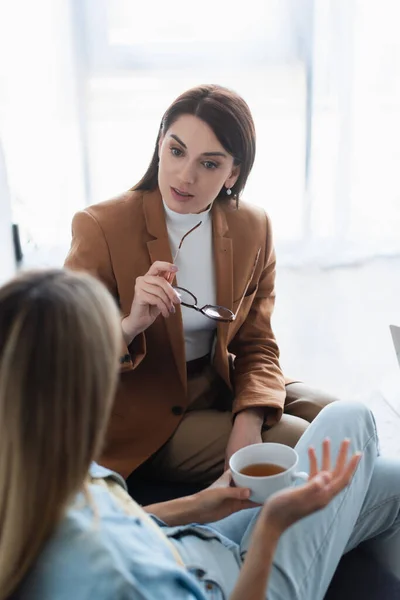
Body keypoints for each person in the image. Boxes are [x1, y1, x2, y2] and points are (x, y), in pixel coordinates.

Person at [1, 269, 399, 600]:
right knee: (353, 418)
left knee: (390, 480)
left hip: (188, 545)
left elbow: (114, 519)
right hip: (235, 584)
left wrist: (197, 503)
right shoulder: (120, 579)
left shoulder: (33, 465)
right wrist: (273, 527)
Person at [65, 83, 337, 487]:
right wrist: (130, 324)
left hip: (219, 381)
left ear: (234, 173)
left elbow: (256, 340)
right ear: (160, 143)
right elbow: (64, 355)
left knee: (340, 414)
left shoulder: (253, 227)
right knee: (309, 446)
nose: (184, 175)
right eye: (176, 151)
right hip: (142, 410)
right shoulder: (100, 226)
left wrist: (249, 416)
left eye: (209, 164)